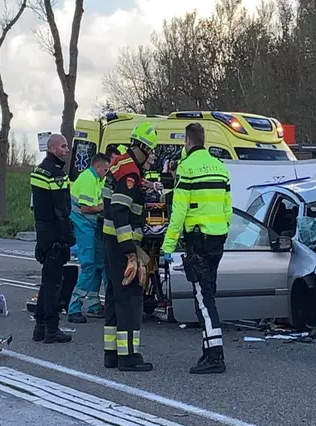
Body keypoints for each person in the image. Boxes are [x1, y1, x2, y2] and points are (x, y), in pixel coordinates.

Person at [162, 122, 232, 374]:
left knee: (204, 299)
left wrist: (168, 245)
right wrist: (222, 228)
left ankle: (215, 355)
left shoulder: (187, 168)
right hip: (217, 239)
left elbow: (179, 211)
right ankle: (207, 351)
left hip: (198, 240)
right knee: (207, 292)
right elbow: (228, 207)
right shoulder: (220, 167)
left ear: (188, 142)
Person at [102, 123, 158, 372]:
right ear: (143, 148)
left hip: (109, 240)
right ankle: (129, 356)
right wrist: (131, 252)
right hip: (122, 243)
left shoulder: (121, 164)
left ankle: (112, 353)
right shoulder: (130, 173)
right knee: (131, 297)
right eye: (152, 151)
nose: (153, 157)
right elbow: (120, 210)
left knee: (115, 296)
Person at [30, 134, 75, 344]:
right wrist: (68, 235)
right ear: (53, 148)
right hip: (56, 234)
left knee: (46, 281)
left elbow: (39, 208)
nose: (67, 150)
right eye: (63, 146)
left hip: (43, 233)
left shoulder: (38, 170)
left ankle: (39, 327)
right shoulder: (55, 174)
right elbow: (61, 209)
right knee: (54, 284)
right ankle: (51, 328)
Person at [67, 153, 110, 323]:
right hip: (84, 225)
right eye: (105, 169)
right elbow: (85, 208)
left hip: (93, 226)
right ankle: (74, 307)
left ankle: (93, 305)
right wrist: (103, 207)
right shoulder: (88, 179)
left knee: (99, 264)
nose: (107, 173)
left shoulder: (97, 180)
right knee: (89, 265)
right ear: (98, 167)